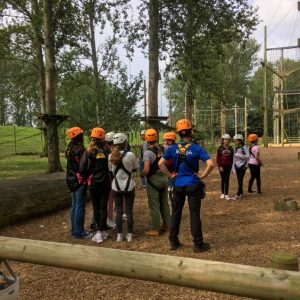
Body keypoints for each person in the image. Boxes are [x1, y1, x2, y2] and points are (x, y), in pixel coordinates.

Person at [158, 119, 214, 253]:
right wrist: (202, 176)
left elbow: (161, 164)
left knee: (176, 213)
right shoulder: (197, 148)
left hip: (178, 185)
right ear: (191, 132)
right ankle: (198, 244)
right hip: (193, 184)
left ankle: (173, 242)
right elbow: (211, 164)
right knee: (194, 214)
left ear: (178, 134)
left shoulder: (172, 148)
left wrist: (171, 176)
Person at [80, 127, 111, 244]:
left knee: (96, 207)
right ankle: (101, 231)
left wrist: (87, 175)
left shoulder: (89, 151)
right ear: (103, 137)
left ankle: (99, 232)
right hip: (105, 181)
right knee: (103, 207)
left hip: (93, 182)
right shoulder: (108, 150)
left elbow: (82, 168)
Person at [141, 129, 170, 236]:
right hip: (164, 178)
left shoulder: (147, 153)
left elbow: (147, 170)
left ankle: (155, 228)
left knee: (154, 206)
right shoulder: (164, 148)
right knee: (165, 203)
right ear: (157, 137)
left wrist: (142, 174)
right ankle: (168, 225)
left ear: (147, 139)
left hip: (153, 181)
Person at [109, 133, 137, 242]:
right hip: (129, 186)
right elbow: (134, 169)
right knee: (129, 211)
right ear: (125, 142)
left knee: (119, 211)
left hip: (116, 186)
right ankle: (130, 235)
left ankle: (119, 235)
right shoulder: (130, 155)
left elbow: (111, 171)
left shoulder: (110, 156)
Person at [65, 127, 88, 239]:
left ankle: (75, 230)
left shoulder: (69, 148)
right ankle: (79, 233)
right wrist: (85, 178)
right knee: (79, 206)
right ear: (79, 136)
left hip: (71, 179)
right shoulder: (81, 149)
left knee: (74, 206)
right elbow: (82, 167)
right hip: (79, 180)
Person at [231, 134, 250, 201]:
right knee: (239, 180)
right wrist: (233, 168)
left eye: (236, 141)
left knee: (240, 180)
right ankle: (241, 193)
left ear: (240, 141)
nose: (235, 142)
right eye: (234, 141)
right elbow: (234, 159)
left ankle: (238, 194)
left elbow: (248, 157)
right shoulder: (235, 148)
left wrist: (239, 155)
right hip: (237, 166)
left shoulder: (244, 148)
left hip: (242, 167)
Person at [216, 134, 234, 200]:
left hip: (228, 166)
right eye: (225, 140)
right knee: (223, 180)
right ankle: (222, 193)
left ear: (229, 141)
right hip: (222, 167)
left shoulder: (231, 149)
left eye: (227, 140)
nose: (226, 141)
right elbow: (217, 158)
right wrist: (219, 166)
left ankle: (226, 194)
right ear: (223, 141)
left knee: (227, 180)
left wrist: (232, 167)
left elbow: (232, 159)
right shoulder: (220, 148)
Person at [105, 132, 116, 228]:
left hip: (104, 178)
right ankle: (109, 219)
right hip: (109, 178)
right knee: (110, 200)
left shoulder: (103, 149)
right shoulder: (110, 152)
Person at [163, 132, 177, 201]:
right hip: (174, 169)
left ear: (170, 141)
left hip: (170, 168)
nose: (164, 142)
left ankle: (170, 188)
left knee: (170, 178)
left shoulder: (168, 149)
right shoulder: (178, 147)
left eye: (165, 140)